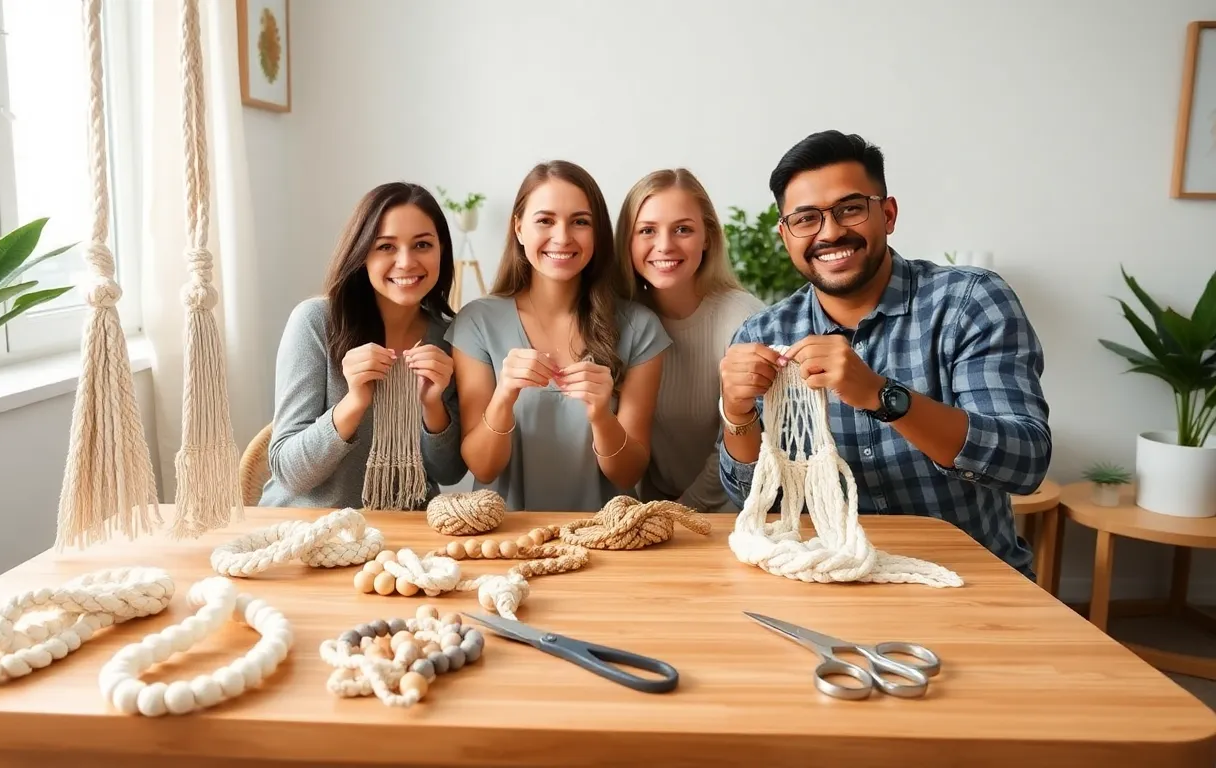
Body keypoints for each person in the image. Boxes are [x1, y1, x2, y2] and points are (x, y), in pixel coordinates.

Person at [717, 130, 1050, 579]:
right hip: (828, 578)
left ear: (888, 214)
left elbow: (1024, 461)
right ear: (785, 235)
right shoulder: (765, 332)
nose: (830, 232)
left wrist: (880, 394)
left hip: (970, 579)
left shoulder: (969, 302)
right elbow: (752, 498)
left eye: (850, 209)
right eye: (806, 219)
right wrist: (736, 410)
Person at [447, 160, 671, 512]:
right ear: (519, 229)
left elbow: (628, 474)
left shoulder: (639, 327)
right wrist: (503, 397)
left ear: (597, 233)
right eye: (545, 221)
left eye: (580, 222)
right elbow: (482, 467)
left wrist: (601, 415)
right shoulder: (477, 322)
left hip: (607, 542)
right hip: (508, 542)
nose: (563, 237)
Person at [260, 182, 467, 509]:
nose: (406, 262)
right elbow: (289, 472)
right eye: (386, 247)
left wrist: (432, 406)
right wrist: (354, 402)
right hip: (305, 535)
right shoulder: (316, 322)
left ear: (441, 250)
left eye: (423, 245)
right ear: (361, 253)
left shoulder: (450, 337)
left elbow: (450, 471)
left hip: (403, 540)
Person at [614, 168, 765, 511]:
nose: (664, 245)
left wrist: (681, 509)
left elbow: (744, 444)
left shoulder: (744, 320)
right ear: (628, 240)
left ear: (707, 237)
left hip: (734, 513)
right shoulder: (619, 321)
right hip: (650, 511)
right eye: (647, 230)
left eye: (683, 229)